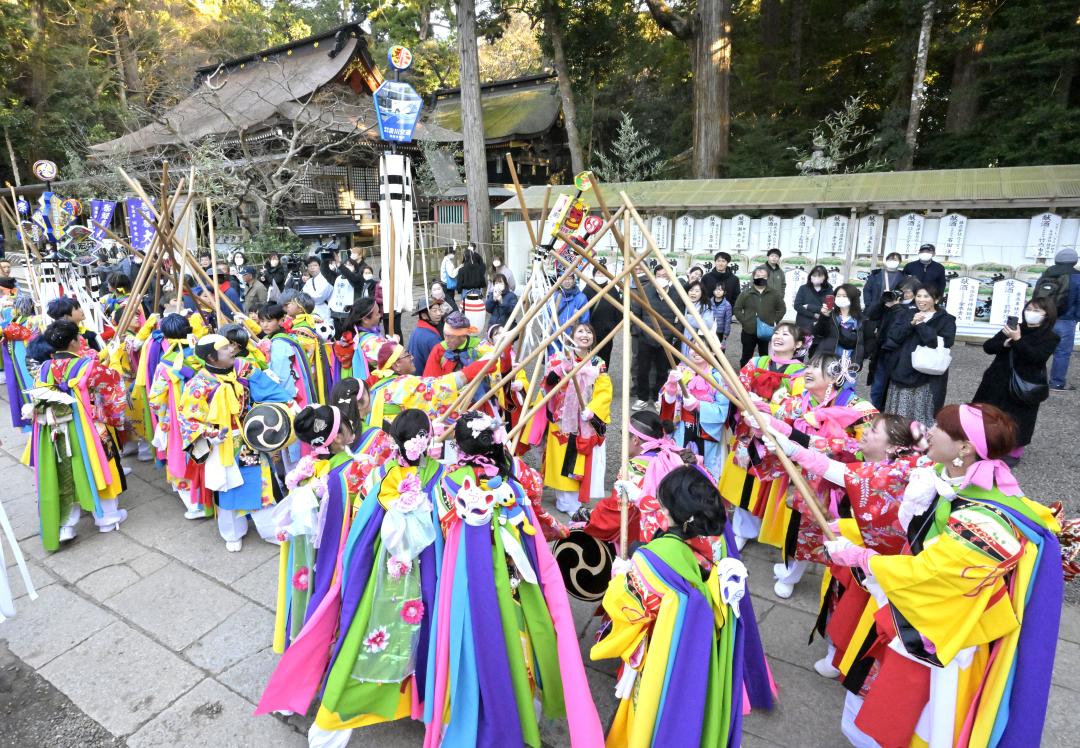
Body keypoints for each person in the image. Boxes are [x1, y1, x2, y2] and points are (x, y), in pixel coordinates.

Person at [826, 403, 1062, 748]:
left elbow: (931, 572)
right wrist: (853, 531)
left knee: (915, 718)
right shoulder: (947, 479)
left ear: (965, 448)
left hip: (945, 633)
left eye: (940, 427)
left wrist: (865, 559)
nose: (929, 431)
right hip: (921, 614)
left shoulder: (986, 519)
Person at [426, 411, 604, 747]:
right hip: (514, 583)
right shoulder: (515, 484)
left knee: (470, 649)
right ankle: (524, 715)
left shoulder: (446, 486)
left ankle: (467, 717)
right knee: (520, 646)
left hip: (465, 587)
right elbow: (536, 532)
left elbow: (440, 536)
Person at [590, 466, 748, 748]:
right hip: (703, 643)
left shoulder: (652, 560)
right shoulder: (716, 537)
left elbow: (624, 606)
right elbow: (671, 525)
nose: (659, 511)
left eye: (663, 507)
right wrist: (641, 498)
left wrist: (620, 575)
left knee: (651, 712)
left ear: (679, 514)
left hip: (667, 649)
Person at [759, 353, 876, 598]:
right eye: (809, 365)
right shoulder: (801, 400)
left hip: (841, 485)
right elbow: (777, 414)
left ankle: (837, 584)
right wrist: (759, 415)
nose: (808, 370)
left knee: (837, 536)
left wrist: (813, 443)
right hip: (804, 481)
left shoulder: (859, 410)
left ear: (835, 376)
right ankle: (791, 573)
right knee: (798, 532)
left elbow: (868, 450)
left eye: (817, 367)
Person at [24, 320, 128, 549]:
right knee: (102, 464)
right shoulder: (89, 366)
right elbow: (113, 387)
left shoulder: (43, 369)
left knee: (62, 472)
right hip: (88, 427)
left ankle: (66, 525)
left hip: (55, 429)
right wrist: (114, 419)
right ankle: (107, 517)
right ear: (74, 341)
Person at [177, 334, 278, 551]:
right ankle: (232, 533)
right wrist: (210, 434)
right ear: (212, 358)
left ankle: (270, 529)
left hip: (248, 437)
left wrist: (285, 400)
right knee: (227, 488)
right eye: (225, 348)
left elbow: (264, 381)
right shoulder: (198, 384)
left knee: (260, 483)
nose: (232, 349)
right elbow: (186, 418)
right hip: (220, 444)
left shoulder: (241, 368)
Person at [719, 322, 806, 549]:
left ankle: (767, 530)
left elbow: (798, 406)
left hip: (774, 436)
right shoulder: (757, 362)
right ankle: (740, 530)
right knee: (743, 481)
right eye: (776, 332)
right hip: (748, 431)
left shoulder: (801, 374)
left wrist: (771, 412)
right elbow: (740, 387)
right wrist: (746, 404)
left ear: (797, 345)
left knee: (769, 484)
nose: (778, 337)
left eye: (786, 334)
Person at [534, 323, 612, 515]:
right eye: (580, 331)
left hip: (585, 420)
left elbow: (604, 390)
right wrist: (562, 368)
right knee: (562, 459)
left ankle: (575, 501)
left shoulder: (597, 362)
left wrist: (593, 410)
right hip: (561, 419)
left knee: (579, 461)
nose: (585, 335)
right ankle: (565, 501)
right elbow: (547, 385)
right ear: (571, 336)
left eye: (589, 332)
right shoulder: (558, 358)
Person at [972, 297, 1058, 458]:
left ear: (1047, 314)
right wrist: (1004, 343)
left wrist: (1018, 340)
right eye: (1029, 309)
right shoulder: (1014, 327)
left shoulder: (1050, 337)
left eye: (1037, 310)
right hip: (997, 379)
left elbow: (1036, 358)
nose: (1031, 313)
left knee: (1017, 419)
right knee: (988, 413)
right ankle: (984, 445)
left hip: (1023, 383)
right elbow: (988, 347)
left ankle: (1013, 452)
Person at [883, 284, 956, 426]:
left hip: (927, 375)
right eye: (918, 296)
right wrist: (911, 323)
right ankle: (896, 442)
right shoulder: (907, 313)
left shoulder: (946, 320)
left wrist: (921, 324)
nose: (921, 300)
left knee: (920, 417)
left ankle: (920, 444)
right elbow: (894, 336)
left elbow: (942, 343)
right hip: (902, 369)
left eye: (926, 296)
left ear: (936, 299)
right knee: (897, 417)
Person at [658, 349, 730, 477]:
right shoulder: (680, 372)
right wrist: (670, 391)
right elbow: (665, 405)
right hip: (681, 429)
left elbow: (723, 411)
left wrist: (698, 405)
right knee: (678, 466)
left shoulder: (718, 377)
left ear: (713, 352)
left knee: (705, 472)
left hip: (707, 432)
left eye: (701, 348)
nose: (696, 351)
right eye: (693, 347)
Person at [630, 266, 680, 410]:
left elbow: (680, 317)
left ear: (670, 277)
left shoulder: (676, 294)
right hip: (646, 337)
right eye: (659, 275)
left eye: (665, 275)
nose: (662, 278)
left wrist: (674, 334)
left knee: (663, 370)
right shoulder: (644, 291)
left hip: (666, 339)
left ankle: (660, 397)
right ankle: (642, 397)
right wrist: (640, 332)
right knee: (642, 369)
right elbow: (636, 315)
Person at [865, 276, 920, 409]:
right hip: (883, 351)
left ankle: (889, 416)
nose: (903, 294)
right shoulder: (890, 303)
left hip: (900, 355)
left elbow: (905, 325)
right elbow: (870, 315)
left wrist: (896, 307)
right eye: (901, 290)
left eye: (907, 292)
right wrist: (882, 300)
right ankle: (875, 413)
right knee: (877, 387)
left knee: (894, 390)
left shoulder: (916, 308)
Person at [1035, 246, 1080, 390]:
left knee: (1038, 348)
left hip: (1043, 318)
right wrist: (1076, 318)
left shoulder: (1046, 274)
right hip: (1066, 320)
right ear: (1074, 261)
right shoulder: (1077, 277)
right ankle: (1057, 383)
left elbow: (1037, 296)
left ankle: (1033, 380)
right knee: (1062, 353)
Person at [733, 266, 787, 366]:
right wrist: (744, 321)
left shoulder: (774, 293)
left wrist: (774, 320)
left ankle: (764, 377)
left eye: (764, 277)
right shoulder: (746, 293)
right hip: (749, 331)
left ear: (768, 278)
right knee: (746, 356)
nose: (760, 278)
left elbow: (782, 309)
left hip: (767, 330)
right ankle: (744, 377)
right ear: (753, 277)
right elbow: (737, 308)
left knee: (765, 356)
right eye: (758, 276)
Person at [812, 283, 865, 366]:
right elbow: (819, 333)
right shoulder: (830, 315)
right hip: (827, 361)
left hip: (848, 363)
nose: (841, 298)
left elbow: (863, 343)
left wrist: (857, 362)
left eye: (844, 296)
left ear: (853, 298)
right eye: (838, 295)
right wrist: (824, 316)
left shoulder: (860, 320)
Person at [582, 259, 621, 365]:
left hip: (607, 332)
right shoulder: (588, 289)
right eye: (598, 272)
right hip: (590, 332)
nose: (601, 275)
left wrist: (613, 327)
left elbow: (619, 311)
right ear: (594, 274)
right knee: (589, 358)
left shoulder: (612, 290)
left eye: (603, 273)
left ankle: (602, 379)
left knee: (604, 359)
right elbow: (582, 311)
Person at [679, 280, 715, 356]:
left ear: (702, 293)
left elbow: (708, 324)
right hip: (680, 339)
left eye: (697, 291)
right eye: (691, 290)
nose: (693, 293)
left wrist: (688, 318)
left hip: (698, 341)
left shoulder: (705, 306)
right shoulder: (682, 304)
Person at [407, 298, 444, 371]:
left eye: (439, 310)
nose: (439, 313)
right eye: (434, 311)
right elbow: (442, 362)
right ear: (424, 315)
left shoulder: (416, 330)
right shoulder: (432, 338)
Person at [793, 265, 832, 333]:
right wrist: (814, 315)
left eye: (819, 276)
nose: (816, 277)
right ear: (810, 276)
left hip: (820, 323)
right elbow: (797, 306)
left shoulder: (829, 290)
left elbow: (828, 308)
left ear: (825, 277)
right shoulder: (803, 288)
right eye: (814, 275)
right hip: (803, 323)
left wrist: (809, 306)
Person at [301, 256, 333, 322]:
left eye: (315, 265)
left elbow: (319, 298)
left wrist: (307, 296)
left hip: (324, 312)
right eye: (309, 266)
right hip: (311, 313)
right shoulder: (309, 281)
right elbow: (302, 295)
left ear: (319, 266)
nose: (312, 268)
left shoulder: (326, 279)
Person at [705, 281, 733, 348]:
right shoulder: (708, 303)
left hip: (720, 331)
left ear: (724, 292)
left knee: (720, 349)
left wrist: (726, 333)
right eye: (716, 289)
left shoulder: (727, 305)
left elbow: (728, 320)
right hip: (709, 330)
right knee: (709, 349)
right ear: (713, 291)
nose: (718, 292)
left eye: (720, 290)